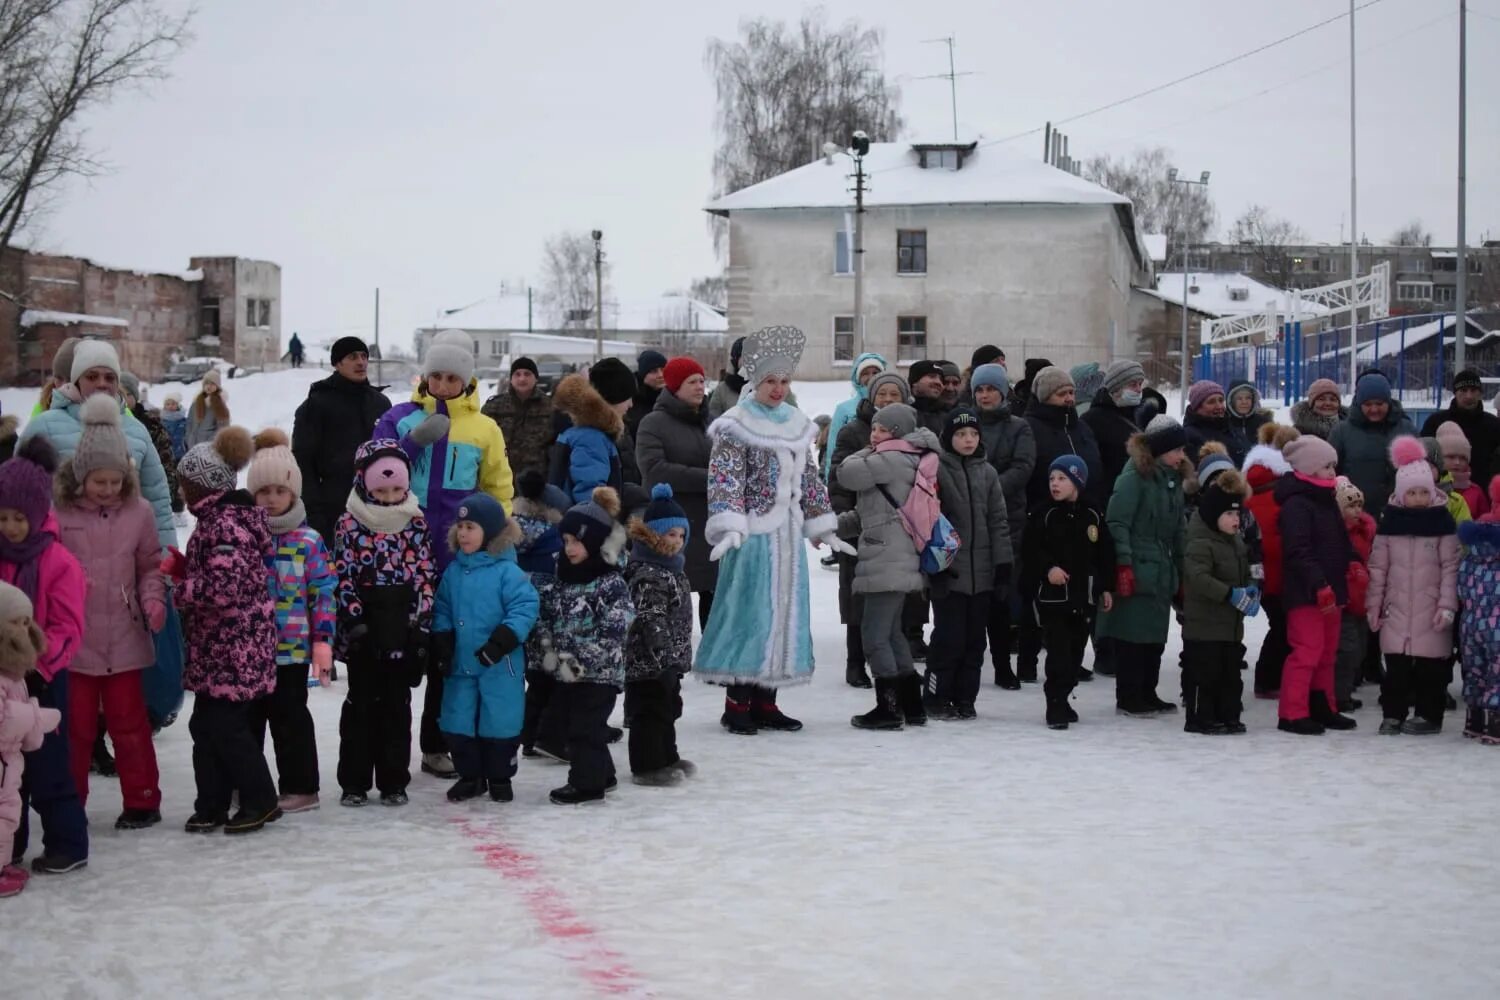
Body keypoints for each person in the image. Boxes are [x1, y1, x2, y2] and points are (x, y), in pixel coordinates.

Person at [375, 329, 515, 778]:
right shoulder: (397, 418)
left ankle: (438, 744)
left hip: (459, 560)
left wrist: (496, 539)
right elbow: (371, 467)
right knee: (397, 653)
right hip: (400, 555)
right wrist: (414, 441)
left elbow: (497, 488)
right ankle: (387, 751)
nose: (443, 384)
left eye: (452, 377)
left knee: (448, 652)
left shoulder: (484, 428)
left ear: (467, 380)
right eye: (435, 375)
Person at [695, 326, 845, 734]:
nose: (778, 389)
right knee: (751, 615)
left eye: (784, 381)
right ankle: (737, 702)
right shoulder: (736, 424)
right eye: (770, 382)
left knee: (784, 616)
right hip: (751, 539)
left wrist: (821, 522)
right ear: (755, 382)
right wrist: (729, 525)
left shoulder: (796, 422)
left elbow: (809, 478)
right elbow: (724, 479)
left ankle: (767, 699)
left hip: (787, 539)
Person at [52, 396, 165, 829]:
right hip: (74, 642)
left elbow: (150, 566)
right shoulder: (59, 514)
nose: (107, 489)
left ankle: (142, 799)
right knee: (75, 730)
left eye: (115, 481)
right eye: (99, 481)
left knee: (130, 725)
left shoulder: (138, 513)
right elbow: (48, 569)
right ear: (81, 476)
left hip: (124, 636)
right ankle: (69, 803)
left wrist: (152, 599)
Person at [169, 425, 284, 833]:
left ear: (200, 487)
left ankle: (260, 799)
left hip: (234, 647)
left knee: (226, 727)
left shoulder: (224, 525)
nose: (181, 492)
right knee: (206, 726)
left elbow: (225, 586)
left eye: (185, 484)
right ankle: (212, 803)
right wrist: (185, 570)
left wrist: (178, 589)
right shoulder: (219, 521)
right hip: (219, 646)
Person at [0, 437, 88, 874]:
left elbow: (69, 627)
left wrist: (37, 662)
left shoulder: (59, 562)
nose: (12, 527)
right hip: (2, 684)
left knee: (49, 767)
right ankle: (8, 842)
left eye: (19, 517)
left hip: (44, 679)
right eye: (3, 517)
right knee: (5, 769)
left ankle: (69, 844)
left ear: (37, 514)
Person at [332, 440, 435, 807]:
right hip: (364, 627)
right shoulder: (350, 521)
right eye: (380, 490)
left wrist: (419, 623)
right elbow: (341, 573)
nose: (390, 497)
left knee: (396, 706)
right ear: (364, 484)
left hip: (401, 625)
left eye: (396, 489)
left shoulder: (415, 521)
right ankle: (355, 781)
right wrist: (354, 620)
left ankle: (394, 780)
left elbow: (425, 574)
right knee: (361, 707)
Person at [247, 429, 335, 814]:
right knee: (248, 722)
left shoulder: (309, 541)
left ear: (293, 495)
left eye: (278, 491)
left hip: (292, 650)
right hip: (248, 649)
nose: (270, 499)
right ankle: (247, 782)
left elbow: (323, 592)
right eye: (262, 491)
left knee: (290, 720)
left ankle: (301, 787)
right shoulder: (245, 535)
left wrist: (323, 639)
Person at [838, 402, 941, 730]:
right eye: (874, 428)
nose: (874, 434)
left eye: (882, 429)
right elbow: (871, 514)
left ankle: (888, 708)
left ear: (897, 433)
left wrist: (867, 450)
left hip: (888, 559)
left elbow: (846, 472)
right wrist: (830, 526)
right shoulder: (908, 458)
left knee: (874, 635)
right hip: (898, 557)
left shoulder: (891, 458)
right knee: (893, 634)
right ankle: (912, 706)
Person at [528, 487, 635, 804]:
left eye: (578, 541)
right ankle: (603, 773)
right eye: (566, 541)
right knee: (584, 725)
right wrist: (546, 652)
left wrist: (588, 655)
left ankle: (587, 785)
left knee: (584, 728)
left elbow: (620, 623)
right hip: (568, 669)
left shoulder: (610, 582)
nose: (570, 548)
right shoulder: (562, 577)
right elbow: (546, 615)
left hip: (601, 672)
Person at [431, 493, 538, 804]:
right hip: (461, 665)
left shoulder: (508, 572)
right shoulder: (453, 572)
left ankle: (500, 776)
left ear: (491, 532)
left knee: (500, 720)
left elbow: (525, 606)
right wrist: (443, 639)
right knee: (458, 720)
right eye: (460, 526)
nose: (463, 533)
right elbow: (442, 608)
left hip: (498, 665)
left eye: (471, 526)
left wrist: (502, 640)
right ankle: (470, 776)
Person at [20, 338, 176, 549]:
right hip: (59, 561)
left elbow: (158, 503)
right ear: (76, 381)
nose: (102, 383)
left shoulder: (137, 431)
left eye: (109, 377)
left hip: (122, 563)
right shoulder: (43, 427)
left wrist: (166, 565)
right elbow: (19, 497)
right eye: (92, 376)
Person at [1368, 437, 1461, 735]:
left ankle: (1429, 716)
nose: (1419, 498)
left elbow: (1451, 568)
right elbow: (1378, 568)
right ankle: (1393, 714)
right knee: (1396, 669)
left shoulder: (1442, 524)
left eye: (1424, 492)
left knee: (1431, 670)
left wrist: (1447, 606)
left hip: (1431, 609)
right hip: (1396, 609)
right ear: (1400, 494)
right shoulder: (1390, 526)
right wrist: (1374, 605)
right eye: (1413, 493)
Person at [1098, 414, 1188, 717]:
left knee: (1154, 637)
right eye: (1176, 450)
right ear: (1160, 450)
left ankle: (1147, 692)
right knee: (1132, 637)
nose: (1181, 455)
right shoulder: (1134, 478)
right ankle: (1129, 696)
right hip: (1137, 566)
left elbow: (1179, 530)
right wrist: (1123, 564)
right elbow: (1117, 522)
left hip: (1161, 569)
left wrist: (1182, 568)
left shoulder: (1173, 482)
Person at [927, 408, 1012, 721]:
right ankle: (936, 697)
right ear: (949, 438)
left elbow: (999, 522)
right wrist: (935, 569)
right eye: (961, 434)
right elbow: (929, 523)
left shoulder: (987, 473)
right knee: (949, 640)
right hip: (951, 573)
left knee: (975, 643)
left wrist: (1002, 566)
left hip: (983, 576)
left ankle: (965, 699)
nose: (968, 440)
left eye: (974, 434)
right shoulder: (937, 470)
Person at [828, 371, 911, 689]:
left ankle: (894, 674)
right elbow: (838, 479)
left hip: (898, 534)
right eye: (882, 394)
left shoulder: (911, 435)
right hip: (859, 525)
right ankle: (855, 663)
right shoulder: (853, 432)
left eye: (894, 394)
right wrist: (843, 520)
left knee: (890, 607)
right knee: (856, 597)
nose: (888, 400)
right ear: (871, 396)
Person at [1022, 365, 1104, 682]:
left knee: (1077, 596)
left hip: (1080, 517)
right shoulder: (1031, 427)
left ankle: (1072, 658)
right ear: (1045, 396)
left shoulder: (1081, 427)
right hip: (1044, 517)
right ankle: (1029, 661)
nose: (1068, 398)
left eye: (1071, 392)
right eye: (1061, 393)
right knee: (1038, 593)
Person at [1275, 434, 1359, 735]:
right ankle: (1292, 712)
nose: (1332, 472)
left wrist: (1353, 561)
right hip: (1307, 593)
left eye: (1333, 466)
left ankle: (1323, 706)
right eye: (1327, 466)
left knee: (1327, 653)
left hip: (1332, 591)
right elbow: (1298, 551)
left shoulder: (1326, 500)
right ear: (1310, 468)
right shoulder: (1297, 505)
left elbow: (1339, 540)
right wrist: (1319, 583)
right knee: (1307, 652)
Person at [1022, 455, 1113, 730]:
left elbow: (1105, 554)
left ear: (1077, 482)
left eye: (1062, 478)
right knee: (1058, 653)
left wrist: (1106, 587)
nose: (1055, 484)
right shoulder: (1043, 514)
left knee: (1075, 653)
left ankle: (1064, 695)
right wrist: (1048, 568)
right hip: (1054, 600)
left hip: (1082, 598)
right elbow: (1030, 550)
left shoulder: (1093, 514)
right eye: (1052, 478)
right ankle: (1055, 703)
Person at [623, 484, 696, 786]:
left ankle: (667, 755)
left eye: (681, 535)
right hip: (649, 661)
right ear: (652, 536)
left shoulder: (671, 568)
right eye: (670, 535)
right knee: (649, 712)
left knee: (668, 708)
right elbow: (650, 620)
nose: (677, 542)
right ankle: (647, 765)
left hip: (668, 660)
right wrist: (663, 659)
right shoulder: (648, 573)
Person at [636, 357, 716, 625]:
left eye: (702, 381)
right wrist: (711, 479)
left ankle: (712, 658)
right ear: (674, 387)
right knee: (671, 593)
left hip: (710, 522)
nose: (699, 387)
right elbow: (655, 470)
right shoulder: (653, 423)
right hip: (674, 524)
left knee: (713, 594)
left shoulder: (711, 422)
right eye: (691, 382)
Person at [969, 364, 1035, 687]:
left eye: (991, 389)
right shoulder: (965, 424)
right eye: (979, 390)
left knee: (1002, 595)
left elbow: (1023, 467)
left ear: (1003, 392)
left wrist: (986, 489)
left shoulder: (1019, 427)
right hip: (969, 521)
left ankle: (1003, 665)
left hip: (1007, 520)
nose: (985, 395)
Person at [293, 336, 393, 545]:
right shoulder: (316, 404)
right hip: (333, 509)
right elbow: (303, 462)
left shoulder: (380, 403)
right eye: (353, 356)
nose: (361, 362)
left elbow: (392, 455)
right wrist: (314, 513)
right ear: (337, 363)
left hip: (376, 506)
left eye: (364, 356)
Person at [1181, 468, 1256, 734]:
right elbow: (1199, 578)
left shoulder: (1235, 542)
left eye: (1238, 514)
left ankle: (1229, 715)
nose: (1236, 519)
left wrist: (1251, 588)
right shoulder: (1200, 542)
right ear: (1214, 516)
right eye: (1229, 514)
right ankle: (1201, 717)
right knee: (1206, 674)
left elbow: (1245, 568)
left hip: (1230, 627)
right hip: (1204, 627)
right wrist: (1229, 594)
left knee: (1230, 675)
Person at [0, 581, 59, 898]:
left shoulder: (14, 670)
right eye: (14, 623)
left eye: (26, 623)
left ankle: (3, 863)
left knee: (9, 812)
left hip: (10, 762)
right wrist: (36, 717)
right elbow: (5, 717)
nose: (22, 630)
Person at [511, 472, 570, 759]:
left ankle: (529, 736)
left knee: (535, 679)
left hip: (523, 617)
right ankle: (548, 738)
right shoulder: (554, 538)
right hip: (549, 617)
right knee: (554, 677)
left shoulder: (512, 532)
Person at [1243, 423, 1299, 698]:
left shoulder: (1250, 496)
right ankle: (1268, 679)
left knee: (1279, 626)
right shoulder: (1283, 497)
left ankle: (1269, 679)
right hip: (1281, 575)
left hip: (1263, 575)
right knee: (1284, 628)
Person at [1330, 371, 1415, 521]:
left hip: (1399, 513)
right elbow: (1331, 473)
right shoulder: (1341, 432)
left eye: (1380, 404)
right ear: (1359, 403)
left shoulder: (1406, 429)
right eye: (1368, 404)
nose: (1374, 409)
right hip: (1355, 515)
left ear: (1388, 402)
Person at [550, 360, 634, 505]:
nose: (631, 404)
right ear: (614, 396)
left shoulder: (588, 431)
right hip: (587, 524)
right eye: (628, 397)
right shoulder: (591, 438)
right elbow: (591, 498)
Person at [1457, 475, 1500, 743]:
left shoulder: (1473, 550)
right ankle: (1495, 723)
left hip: (1472, 623)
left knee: (1475, 668)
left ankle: (1474, 719)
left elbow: (1461, 586)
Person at [1334, 477, 1376, 714]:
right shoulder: (1338, 534)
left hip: (1363, 599)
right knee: (1347, 650)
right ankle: (1340, 695)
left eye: (1359, 505)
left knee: (1359, 649)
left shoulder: (1367, 532)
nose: (1356, 510)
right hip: (1346, 601)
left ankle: (1345, 690)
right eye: (1350, 505)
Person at [1420, 369, 1500, 487]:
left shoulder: (1494, 425)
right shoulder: (1435, 422)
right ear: (1455, 393)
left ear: (1480, 393)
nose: (1469, 396)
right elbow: (1423, 459)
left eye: (1473, 390)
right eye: (1463, 390)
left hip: (1484, 496)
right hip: (1443, 495)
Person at [121, 372, 184, 515]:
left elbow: (165, 460)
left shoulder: (151, 424)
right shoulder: (109, 422)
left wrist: (170, 492)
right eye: (119, 394)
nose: (123, 399)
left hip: (148, 494)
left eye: (127, 394)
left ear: (135, 397)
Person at [481, 356, 555, 478]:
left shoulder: (550, 407)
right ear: (511, 379)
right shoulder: (494, 407)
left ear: (536, 378)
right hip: (499, 478)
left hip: (536, 480)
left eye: (527, 374)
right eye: (517, 374)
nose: (522, 378)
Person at [1083, 360, 1150, 491]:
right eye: (1132, 385)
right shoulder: (1092, 419)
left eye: (1140, 384)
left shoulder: (1136, 414)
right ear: (1116, 388)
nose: (1138, 389)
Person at [823, 352, 888, 480]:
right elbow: (833, 448)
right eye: (865, 373)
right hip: (852, 474)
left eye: (876, 372)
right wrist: (831, 477)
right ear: (857, 378)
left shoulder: (890, 405)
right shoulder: (844, 409)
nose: (871, 377)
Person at [1436, 422, 1491, 519]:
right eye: (1451, 457)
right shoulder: (1428, 489)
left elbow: (1485, 523)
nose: (1457, 462)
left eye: (1462, 458)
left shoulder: (1476, 491)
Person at [1183, 380, 1240, 465]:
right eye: (1211, 402)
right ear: (1197, 407)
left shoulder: (1231, 427)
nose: (1219, 406)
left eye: (1221, 400)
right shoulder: (1189, 436)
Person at [1225, 381, 1273, 462]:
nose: (1244, 402)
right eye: (1239, 398)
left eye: (1248, 398)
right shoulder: (1224, 424)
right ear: (1231, 402)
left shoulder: (1264, 424)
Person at [626, 350, 667, 441]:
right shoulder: (630, 400)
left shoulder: (672, 398)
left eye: (663, 370)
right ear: (643, 374)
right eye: (654, 371)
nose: (660, 375)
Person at [707, 337, 747, 421]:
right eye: (745, 355)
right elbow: (713, 420)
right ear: (736, 359)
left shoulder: (768, 386)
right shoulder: (723, 389)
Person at [906, 359, 951, 435]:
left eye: (941, 379)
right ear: (914, 382)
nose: (938, 382)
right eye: (932, 376)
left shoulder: (949, 416)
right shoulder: (903, 414)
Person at [186, 368, 228, 449]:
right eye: (206, 383)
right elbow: (189, 422)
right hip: (192, 445)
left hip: (209, 447)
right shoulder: (196, 402)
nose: (209, 386)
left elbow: (222, 429)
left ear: (217, 386)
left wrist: (209, 443)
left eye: (212, 384)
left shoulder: (220, 405)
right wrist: (188, 438)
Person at [161, 393, 188, 461]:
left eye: (173, 404)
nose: (170, 406)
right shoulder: (161, 421)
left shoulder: (184, 421)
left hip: (182, 454)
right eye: (168, 404)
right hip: (165, 455)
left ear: (178, 405)